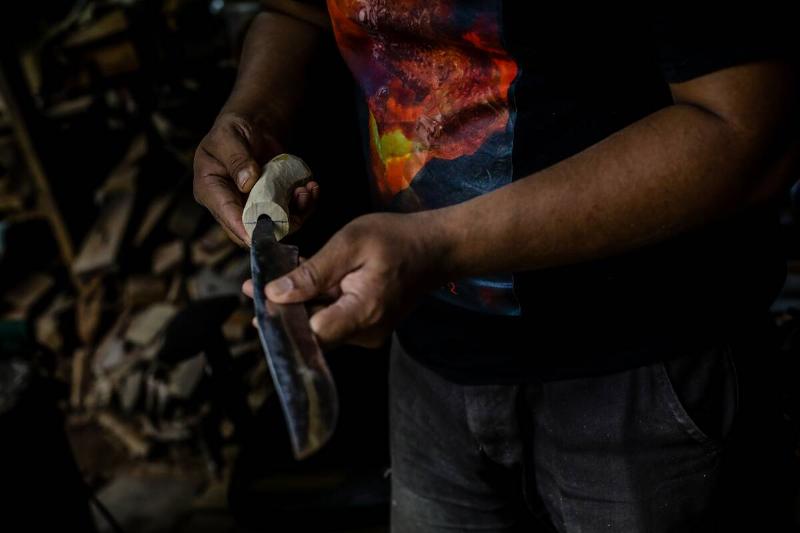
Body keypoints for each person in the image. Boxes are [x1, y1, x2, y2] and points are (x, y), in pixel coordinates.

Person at [194, 3, 798, 531]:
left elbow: (749, 134)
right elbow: (294, 9)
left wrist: (439, 247)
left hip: (644, 367)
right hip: (429, 361)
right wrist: (255, 111)